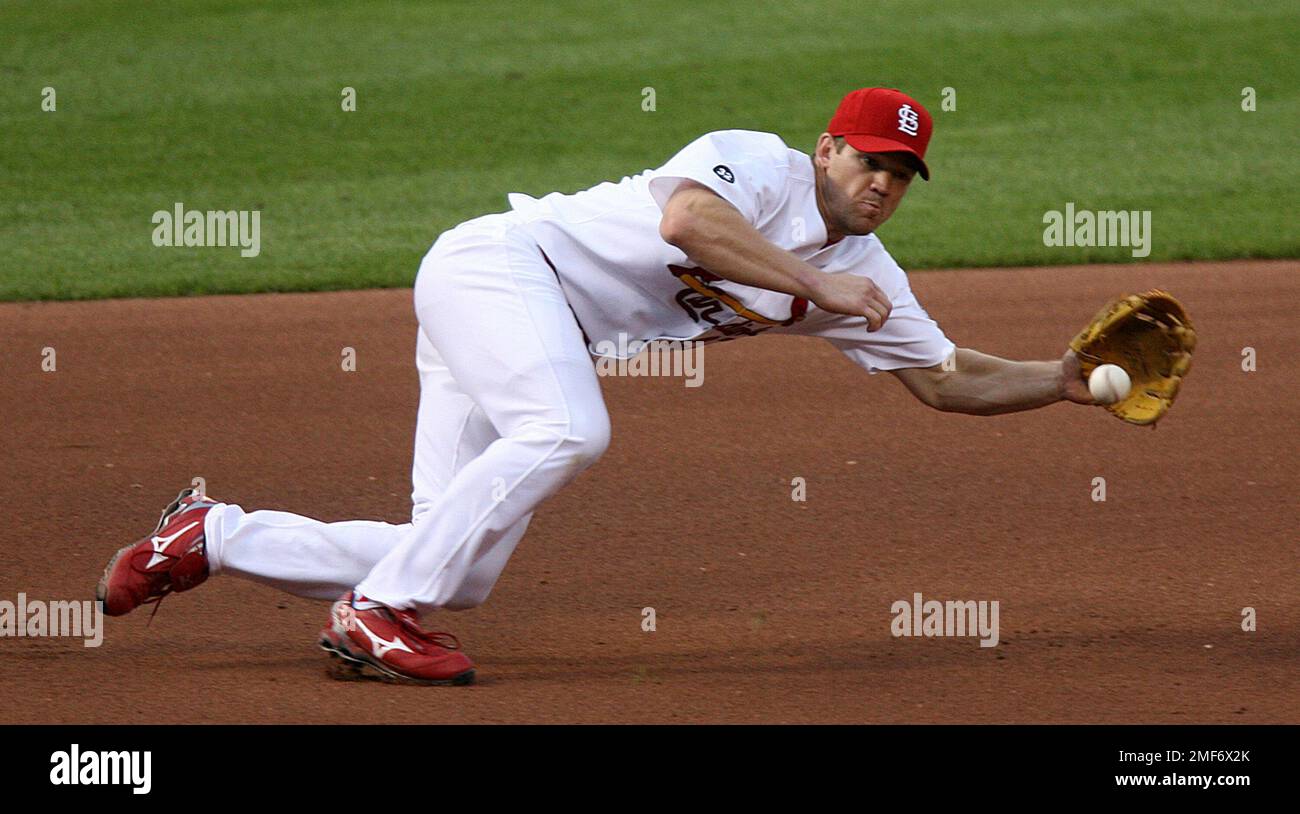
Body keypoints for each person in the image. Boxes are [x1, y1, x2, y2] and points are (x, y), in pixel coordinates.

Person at [96, 87, 1095, 686]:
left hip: (524, 329)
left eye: (903, 172)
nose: (882, 183)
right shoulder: (761, 164)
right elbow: (687, 225)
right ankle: (371, 612)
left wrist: (1060, 381)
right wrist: (811, 283)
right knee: (571, 429)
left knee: (458, 564)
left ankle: (214, 534)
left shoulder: (870, 278)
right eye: (870, 160)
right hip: (497, 270)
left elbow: (948, 377)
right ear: (828, 148)